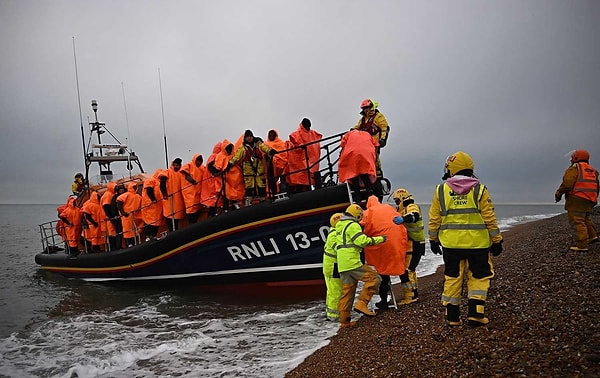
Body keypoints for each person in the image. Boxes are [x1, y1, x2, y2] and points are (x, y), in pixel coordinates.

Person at [428, 151, 503, 327]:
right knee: (479, 276)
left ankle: (452, 316)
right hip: (478, 244)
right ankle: (476, 313)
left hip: (451, 244)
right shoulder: (480, 190)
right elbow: (489, 218)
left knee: (453, 276)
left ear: (451, 169)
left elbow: (434, 219)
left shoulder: (441, 190)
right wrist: (497, 240)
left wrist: (433, 239)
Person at [335, 203, 387, 327]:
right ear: (357, 215)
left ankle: (344, 321)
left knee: (347, 293)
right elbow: (361, 241)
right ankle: (362, 304)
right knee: (374, 278)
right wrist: (380, 239)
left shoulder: (339, 225)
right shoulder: (353, 225)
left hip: (342, 265)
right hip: (352, 262)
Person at [360, 195, 408, 310]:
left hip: (382, 244)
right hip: (395, 242)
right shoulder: (389, 208)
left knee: (383, 273)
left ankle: (384, 302)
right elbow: (400, 221)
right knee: (398, 266)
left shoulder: (368, 212)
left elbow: (361, 226)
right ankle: (410, 293)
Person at [555, 149, 599, 251]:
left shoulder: (574, 169)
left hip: (577, 199)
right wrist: (594, 199)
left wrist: (558, 193)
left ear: (576, 158)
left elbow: (567, 184)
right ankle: (592, 236)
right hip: (590, 199)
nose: (571, 159)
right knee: (586, 218)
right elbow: (597, 186)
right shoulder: (593, 170)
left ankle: (582, 245)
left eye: (572, 157)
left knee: (577, 220)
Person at [392, 187, 426, 305]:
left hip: (416, 243)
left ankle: (410, 296)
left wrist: (403, 219)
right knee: (410, 269)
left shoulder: (411, 206)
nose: (396, 203)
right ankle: (413, 293)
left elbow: (414, 216)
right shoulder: (402, 209)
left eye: (397, 200)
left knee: (407, 270)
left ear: (402, 198)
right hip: (413, 244)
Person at [228, 129, 277, 206]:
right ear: (245, 138)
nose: (249, 138)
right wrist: (230, 164)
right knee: (249, 187)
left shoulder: (258, 144)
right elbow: (236, 157)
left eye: (250, 136)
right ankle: (248, 203)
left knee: (261, 186)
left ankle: (263, 201)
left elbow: (265, 148)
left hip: (259, 171)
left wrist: (270, 151)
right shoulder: (243, 147)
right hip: (248, 172)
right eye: (247, 137)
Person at [352, 99, 389, 179]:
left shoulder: (378, 116)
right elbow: (359, 126)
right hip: (365, 144)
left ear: (371, 107)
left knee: (375, 158)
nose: (366, 110)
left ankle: (378, 175)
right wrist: (352, 130)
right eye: (364, 109)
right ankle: (366, 176)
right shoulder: (363, 119)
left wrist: (383, 139)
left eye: (367, 108)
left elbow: (384, 128)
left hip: (374, 142)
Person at [338, 129, 379, 201]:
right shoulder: (367, 134)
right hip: (366, 153)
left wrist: (341, 155)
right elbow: (376, 144)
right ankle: (369, 191)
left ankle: (357, 195)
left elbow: (342, 144)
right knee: (364, 172)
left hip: (352, 153)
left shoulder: (348, 134)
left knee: (353, 174)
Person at [285, 118, 322, 193]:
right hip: (300, 166)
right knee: (301, 184)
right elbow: (296, 142)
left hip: (309, 165)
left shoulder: (312, 134)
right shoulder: (296, 135)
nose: (308, 128)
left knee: (306, 183)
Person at [214, 139, 245, 210]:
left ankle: (235, 204)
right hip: (226, 179)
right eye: (227, 148)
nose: (228, 150)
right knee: (226, 193)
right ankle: (226, 209)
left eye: (229, 148)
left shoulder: (234, 153)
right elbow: (217, 167)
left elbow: (239, 161)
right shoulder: (220, 156)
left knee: (236, 192)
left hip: (236, 177)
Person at [323, 212, 343, 322]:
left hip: (330, 266)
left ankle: (331, 314)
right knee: (336, 292)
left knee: (332, 291)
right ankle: (334, 317)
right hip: (333, 267)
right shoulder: (335, 236)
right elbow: (340, 249)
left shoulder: (334, 233)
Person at [159, 158, 186, 231]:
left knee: (176, 221)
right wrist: (164, 194)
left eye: (179, 165)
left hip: (178, 202)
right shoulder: (167, 172)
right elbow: (162, 184)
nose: (178, 167)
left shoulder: (181, 174)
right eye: (177, 165)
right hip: (169, 201)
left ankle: (175, 233)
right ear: (174, 165)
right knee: (170, 221)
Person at [180, 154, 206, 223]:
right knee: (190, 209)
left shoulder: (202, 168)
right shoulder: (189, 165)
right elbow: (185, 173)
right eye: (198, 161)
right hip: (189, 193)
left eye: (200, 161)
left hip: (198, 192)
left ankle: (195, 222)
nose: (199, 163)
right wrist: (192, 181)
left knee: (198, 207)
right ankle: (191, 223)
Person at [117, 182, 143, 247]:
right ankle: (129, 244)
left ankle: (135, 243)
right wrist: (123, 213)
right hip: (127, 216)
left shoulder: (138, 196)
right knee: (127, 231)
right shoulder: (126, 195)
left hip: (135, 216)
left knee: (134, 230)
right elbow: (119, 201)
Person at [264, 129, 288, 197]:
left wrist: (274, 158)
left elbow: (284, 156)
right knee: (269, 179)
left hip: (278, 166)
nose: (271, 136)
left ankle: (276, 191)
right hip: (268, 166)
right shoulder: (265, 144)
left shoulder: (280, 143)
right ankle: (271, 193)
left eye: (273, 135)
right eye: (270, 135)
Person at [142, 169, 165, 241]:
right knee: (149, 221)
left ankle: (154, 235)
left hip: (158, 206)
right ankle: (148, 236)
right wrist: (153, 199)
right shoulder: (150, 180)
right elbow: (149, 189)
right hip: (150, 205)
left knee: (157, 221)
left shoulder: (159, 182)